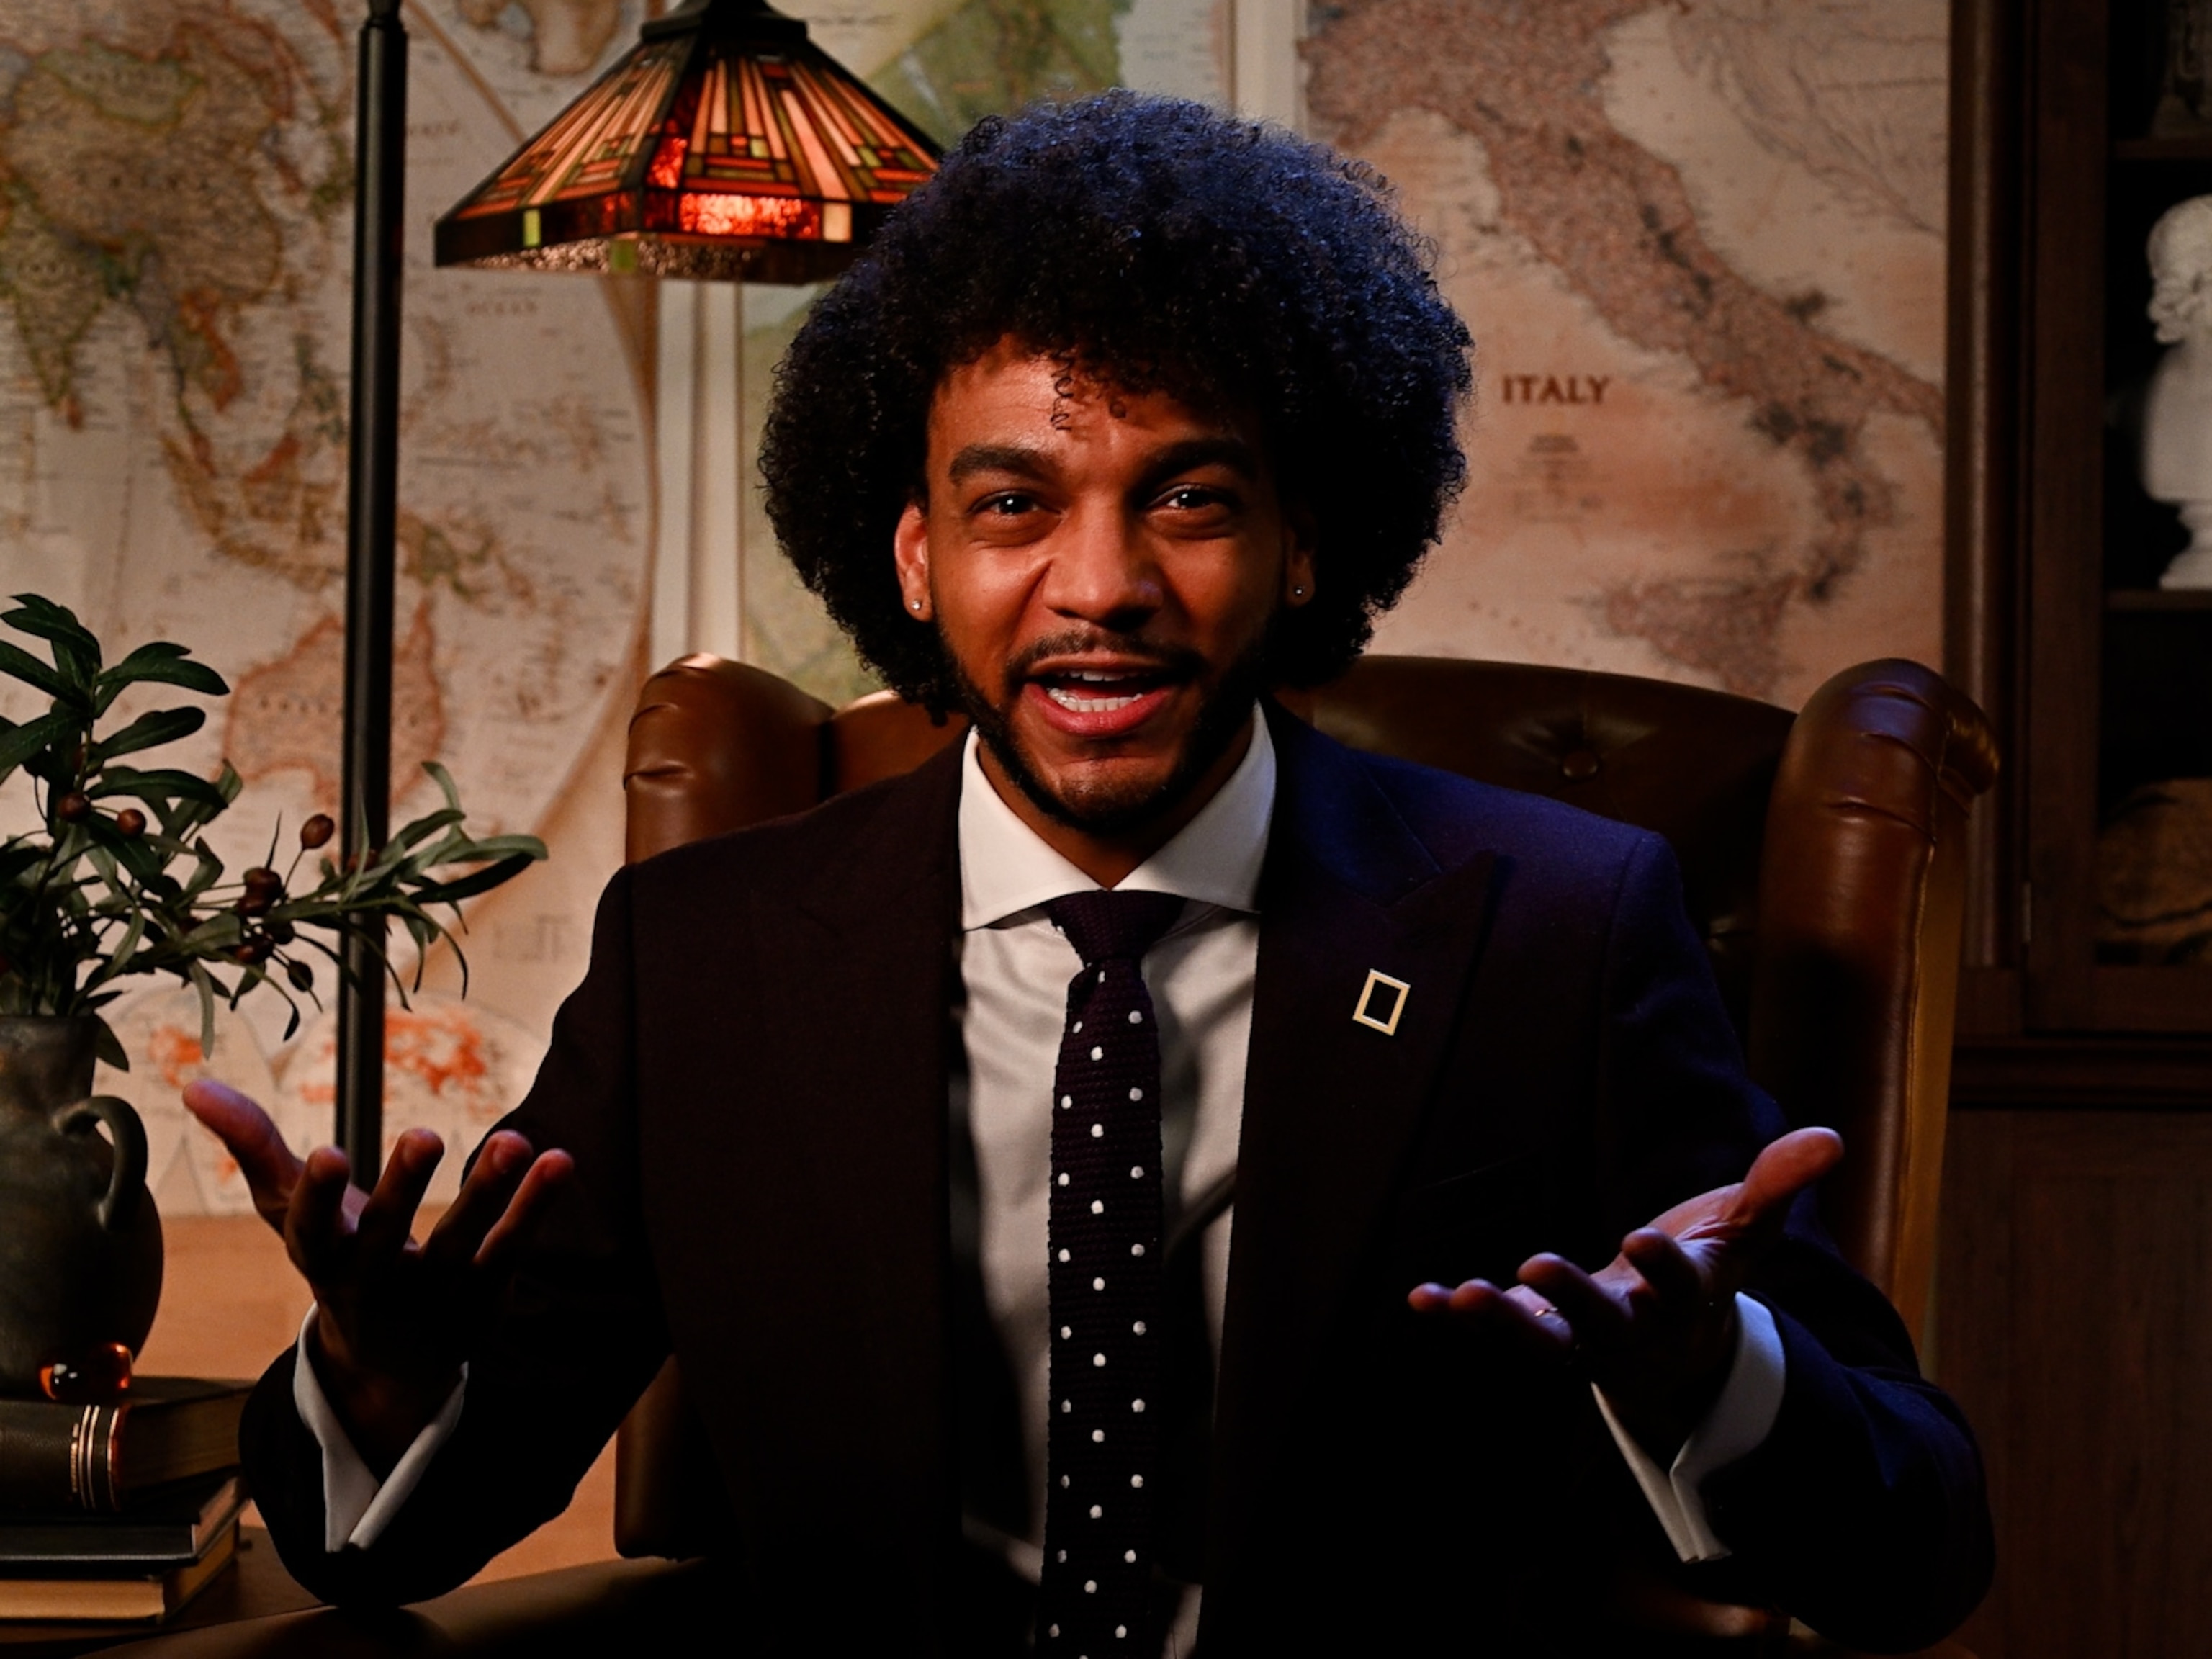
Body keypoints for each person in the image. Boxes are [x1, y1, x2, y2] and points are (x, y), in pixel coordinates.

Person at [187, 93, 1992, 1655]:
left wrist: (1710, 1378)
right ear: (914, 556)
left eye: (1188, 500)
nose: (1103, 584)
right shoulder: (704, 961)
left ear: (1302, 546)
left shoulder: (1562, 932)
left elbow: (1919, 1556)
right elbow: (380, 1548)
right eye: (1015, 505)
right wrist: (377, 1374)